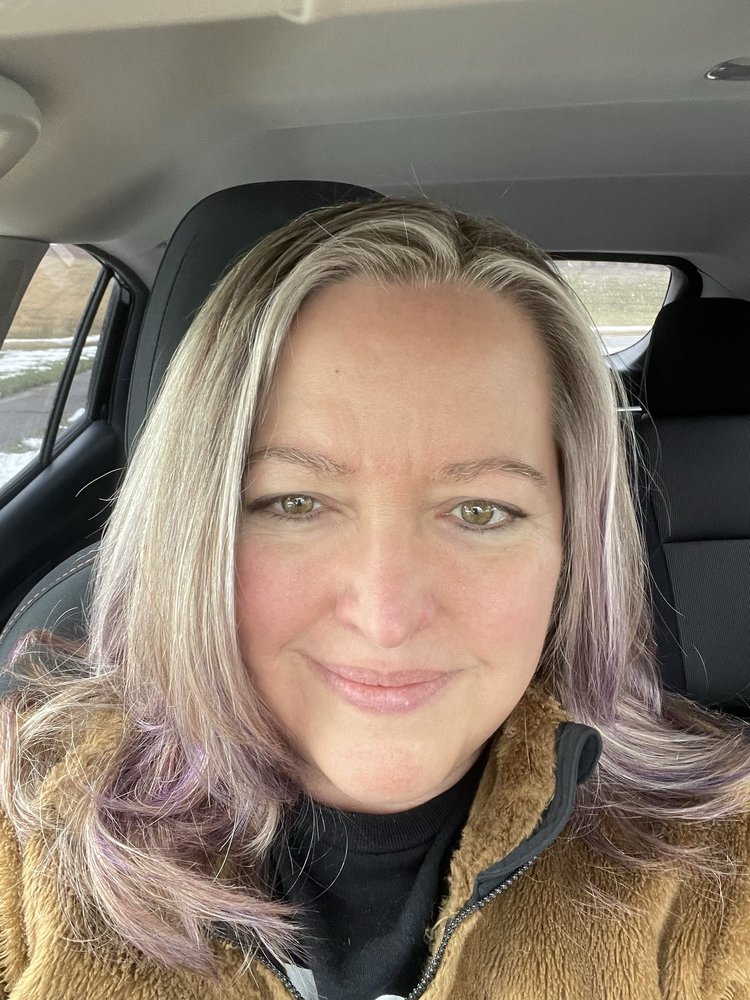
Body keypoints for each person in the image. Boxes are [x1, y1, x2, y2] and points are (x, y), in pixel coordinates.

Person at [0, 197, 748, 1000]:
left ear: (572, 551)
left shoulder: (718, 865)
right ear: (192, 529)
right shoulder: (29, 829)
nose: (386, 617)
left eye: (480, 512)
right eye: (294, 503)